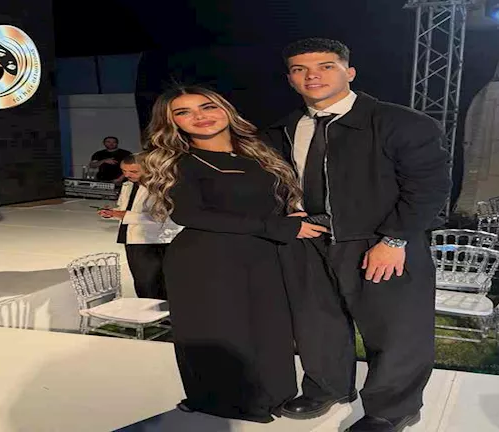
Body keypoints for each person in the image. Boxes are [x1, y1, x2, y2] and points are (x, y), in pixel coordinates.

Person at [262, 38, 451, 432]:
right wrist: (287, 211)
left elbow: (429, 188)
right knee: (317, 322)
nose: (312, 76)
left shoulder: (400, 122)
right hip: (309, 240)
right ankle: (327, 387)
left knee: (395, 328)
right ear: (290, 79)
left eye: (325, 66)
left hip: (380, 241)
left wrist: (394, 239)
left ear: (349, 72)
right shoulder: (283, 128)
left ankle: (392, 409)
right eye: (300, 69)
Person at [140, 85, 329, 422]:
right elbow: (190, 215)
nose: (199, 116)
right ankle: (225, 402)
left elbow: (263, 201)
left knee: (269, 328)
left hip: (262, 254)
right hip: (207, 261)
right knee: (223, 332)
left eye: (207, 107)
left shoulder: (258, 152)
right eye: (183, 112)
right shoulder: (181, 162)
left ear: (225, 110)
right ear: (173, 123)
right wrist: (278, 227)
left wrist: (289, 215)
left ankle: (274, 396)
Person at [98, 152, 181, 300]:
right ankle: (148, 309)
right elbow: (126, 208)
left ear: (148, 169)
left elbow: (161, 217)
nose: (127, 175)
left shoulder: (160, 187)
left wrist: (122, 214)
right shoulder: (128, 185)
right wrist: (112, 212)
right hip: (132, 238)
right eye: (124, 171)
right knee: (142, 281)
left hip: (154, 240)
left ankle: (160, 310)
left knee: (153, 282)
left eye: (133, 171)